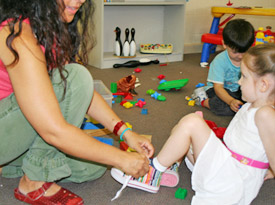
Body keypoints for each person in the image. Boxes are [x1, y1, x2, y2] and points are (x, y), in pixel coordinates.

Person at [0, 0, 155, 204]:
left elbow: (82, 91)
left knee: (90, 168)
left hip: (18, 128)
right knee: (76, 76)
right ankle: (33, 181)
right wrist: (121, 159)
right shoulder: (16, 33)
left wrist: (125, 132)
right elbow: (53, 129)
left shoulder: (48, 27)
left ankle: (15, 164)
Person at [111, 43, 275, 204]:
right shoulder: (251, 105)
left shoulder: (265, 114)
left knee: (192, 123)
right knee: (181, 130)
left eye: (244, 77)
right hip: (228, 166)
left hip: (233, 181)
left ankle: (153, 172)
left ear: (263, 85)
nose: (239, 82)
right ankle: (170, 165)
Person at [194, 19, 255, 116]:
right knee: (223, 107)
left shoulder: (251, 59)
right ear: (224, 44)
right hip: (219, 90)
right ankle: (203, 101)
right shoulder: (219, 61)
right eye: (235, 52)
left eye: (244, 52)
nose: (240, 56)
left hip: (239, 90)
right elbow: (218, 88)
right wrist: (231, 101)